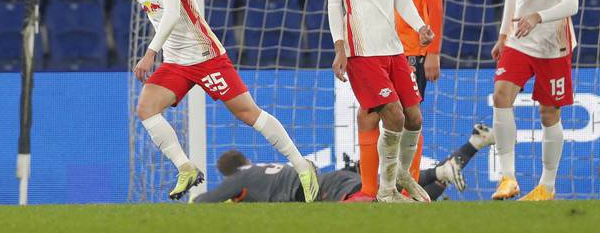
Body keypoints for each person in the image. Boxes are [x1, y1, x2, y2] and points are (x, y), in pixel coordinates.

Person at [107, 0, 318, 202]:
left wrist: (150, 53)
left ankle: (302, 166)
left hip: (205, 55)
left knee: (247, 113)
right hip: (176, 62)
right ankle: (186, 168)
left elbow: (171, 13)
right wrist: (162, 53)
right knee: (146, 108)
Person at [325, 0, 435, 203]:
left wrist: (420, 26)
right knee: (395, 116)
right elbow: (334, 4)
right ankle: (386, 190)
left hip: (394, 49)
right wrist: (339, 47)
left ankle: (401, 175)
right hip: (363, 52)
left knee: (414, 118)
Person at [490, 0, 579, 201]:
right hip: (518, 39)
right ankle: (508, 178)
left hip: (553, 43)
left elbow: (572, 3)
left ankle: (547, 187)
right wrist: (503, 35)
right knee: (501, 95)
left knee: (548, 113)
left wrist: (538, 16)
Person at [192, 124, 494, 203]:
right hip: (330, 179)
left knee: (387, 201)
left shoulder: (239, 181)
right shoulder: (262, 169)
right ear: (247, 160)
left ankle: (443, 170)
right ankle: (471, 147)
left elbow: (205, 200)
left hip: (330, 190)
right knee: (401, 196)